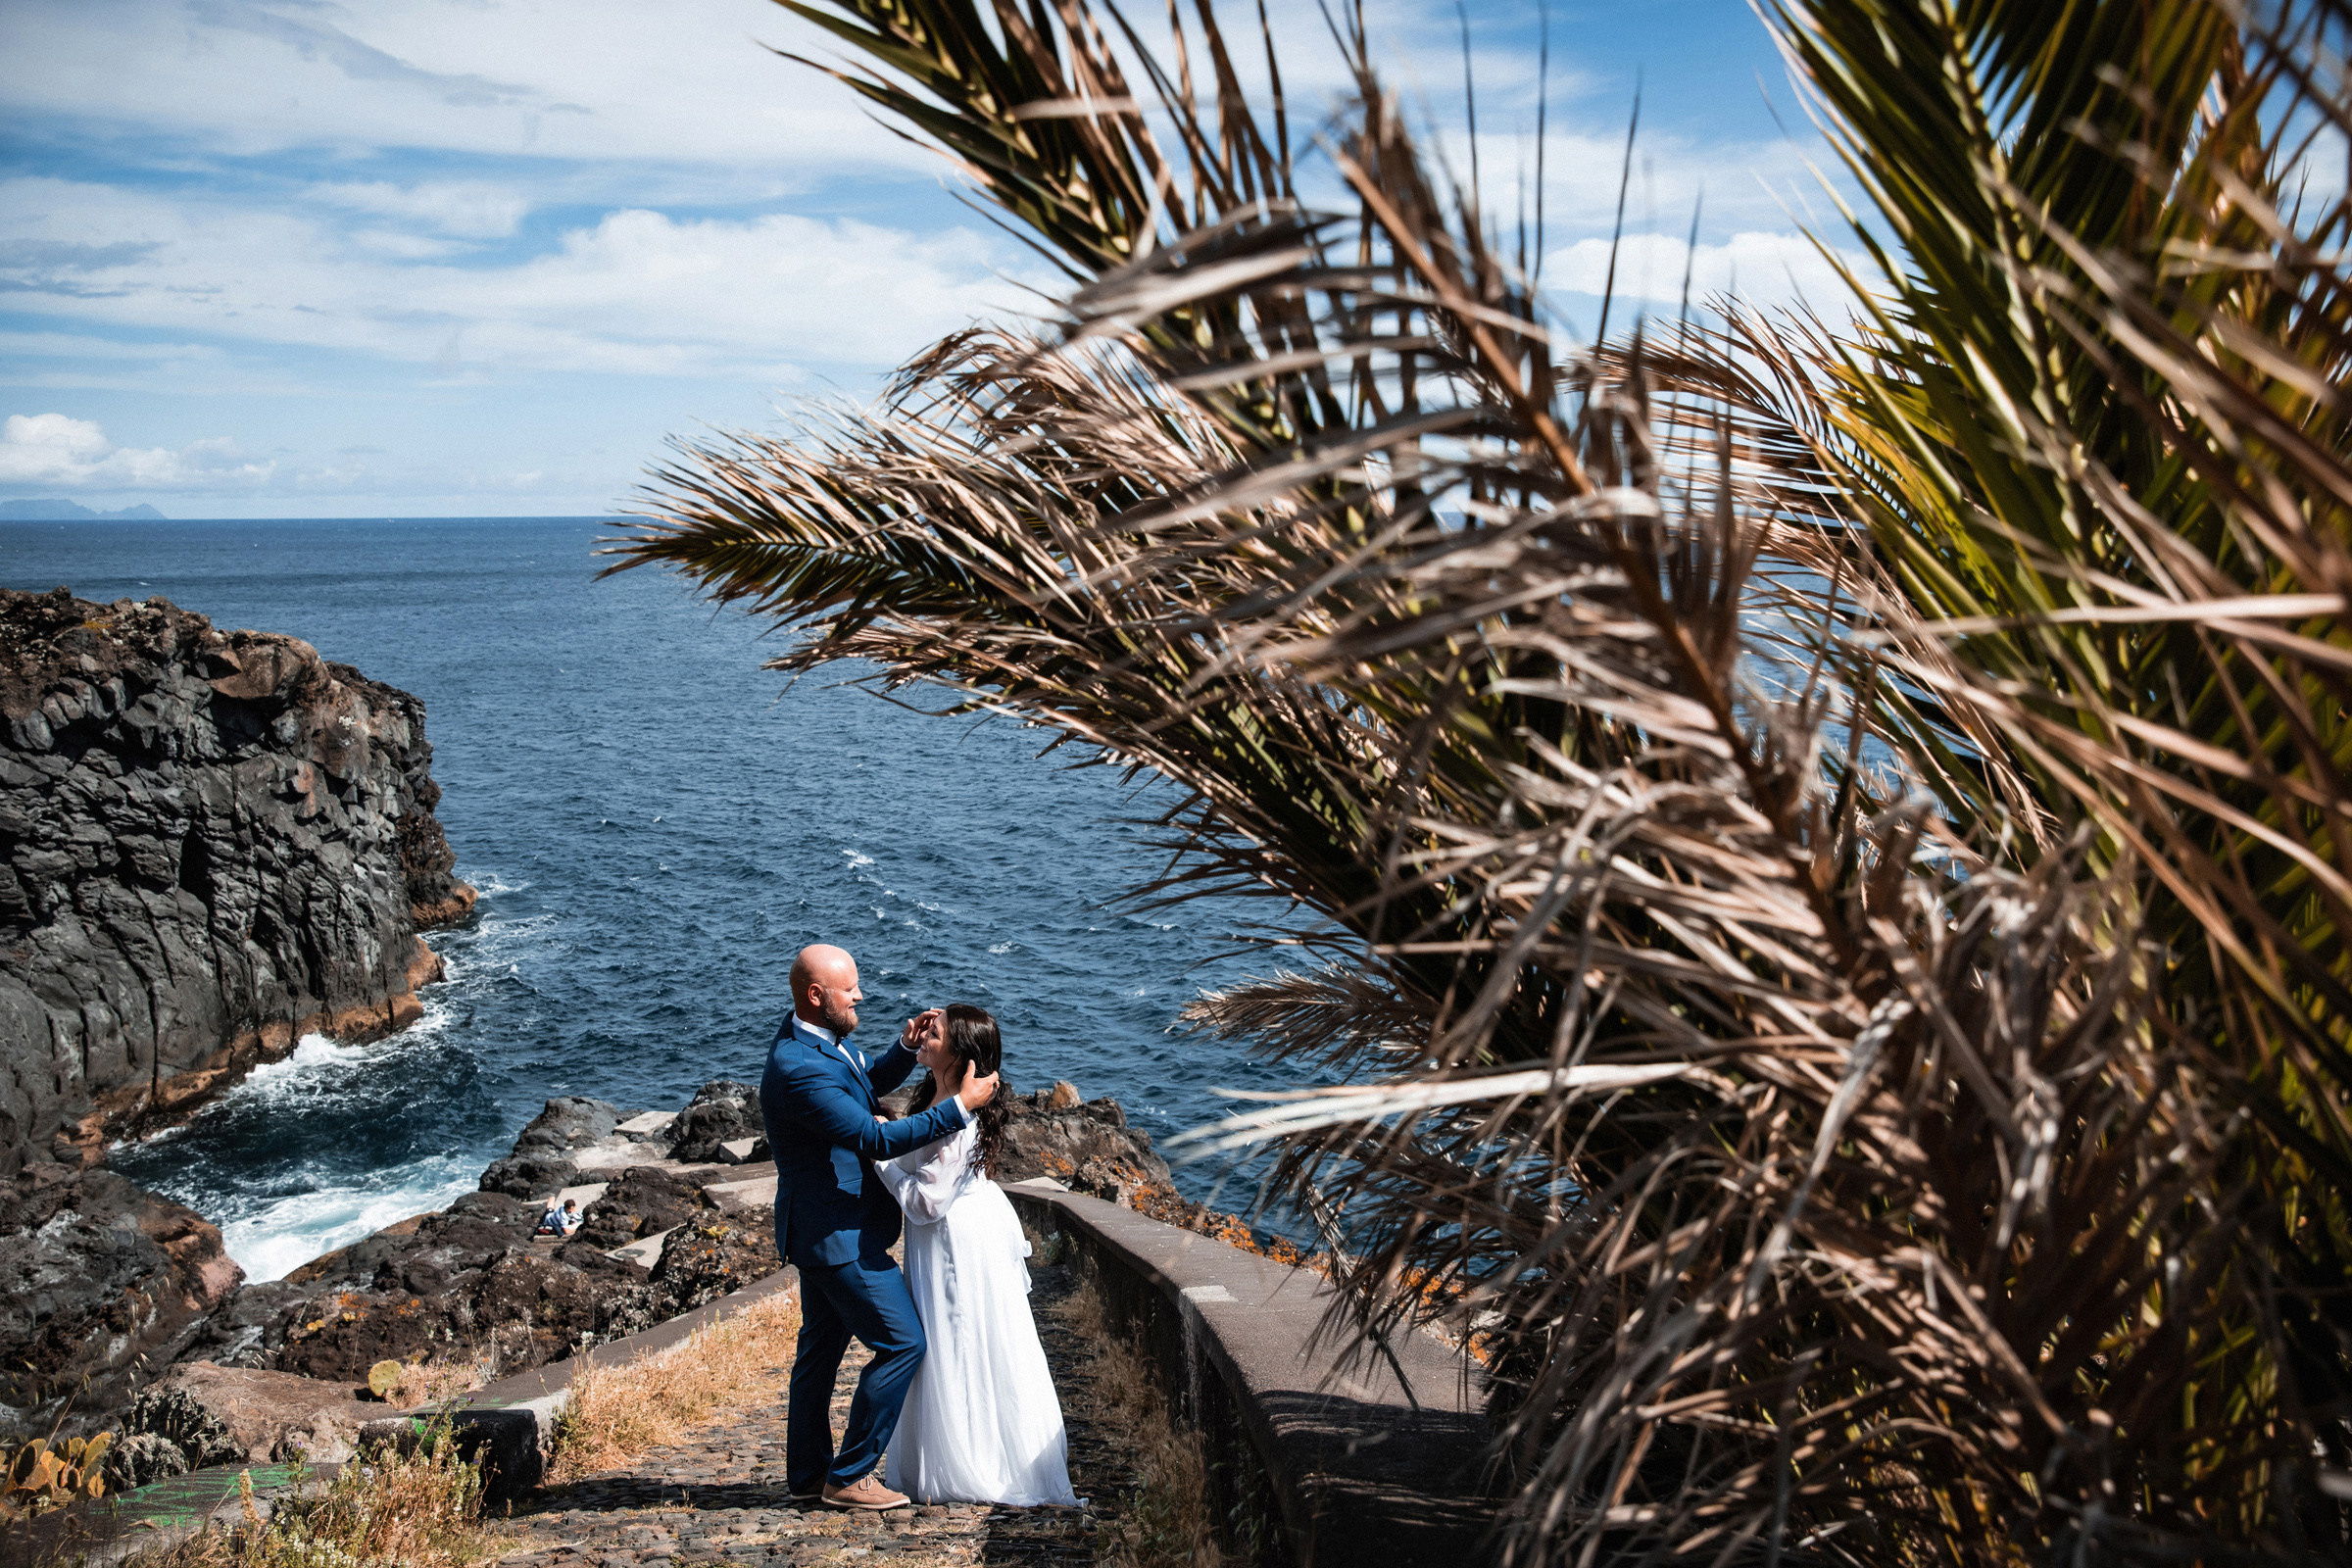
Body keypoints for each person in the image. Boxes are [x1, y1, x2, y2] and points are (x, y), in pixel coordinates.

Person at [760, 943, 1000, 1512]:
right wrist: (960, 1106)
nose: (861, 995)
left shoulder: (814, 1043)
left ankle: (807, 1473)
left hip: (821, 1231)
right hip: (838, 1237)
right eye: (850, 990)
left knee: (818, 1355)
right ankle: (851, 1474)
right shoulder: (798, 1069)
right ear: (817, 997)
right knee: (902, 1343)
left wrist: (903, 1048)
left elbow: (862, 1085)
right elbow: (874, 1138)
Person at [879, 1004, 1080, 1507]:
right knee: (962, 1339)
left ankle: (971, 1459)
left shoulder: (958, 1120)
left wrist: (878, 1157)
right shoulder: (940, 1098)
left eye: (936, 1031)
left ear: (959, 1055)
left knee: (959, 1337)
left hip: (953, 1240)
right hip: (958, 1232)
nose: (925, 1033)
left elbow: (926, 1203)